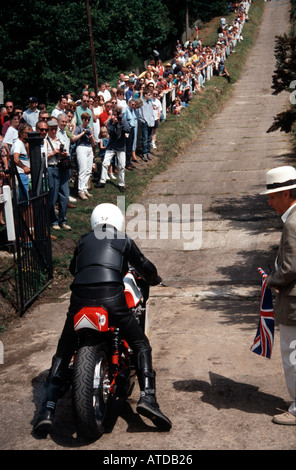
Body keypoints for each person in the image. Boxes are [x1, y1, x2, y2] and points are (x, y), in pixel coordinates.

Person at [33, 203, 172, 435]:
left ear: (93, 221)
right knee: (140, 344)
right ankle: (148, 398)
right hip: (111, 297)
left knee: (64, 350)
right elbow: (144, 265)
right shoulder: (122, 238)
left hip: (79, 298)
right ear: (118, 221)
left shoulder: (83, 240)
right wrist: (154, 277)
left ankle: (47, 409)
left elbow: (71, 268)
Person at [260, 166, 296, 425]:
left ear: (286, 194)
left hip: (294, 302)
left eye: (272, 196)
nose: (270, 202)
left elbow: (291, 267)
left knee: (292, 354)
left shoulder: (293, 223)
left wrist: (271, 280)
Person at [96, 107, 130, 192]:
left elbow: (127, 129)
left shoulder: (123, 120)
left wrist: (120, 123)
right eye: (115, 114)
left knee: (122, 165)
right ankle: (102, 181)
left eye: (118, 114)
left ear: (120, 114)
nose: (116, 116)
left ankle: (121, 183)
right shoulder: (110, 122)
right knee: (105, 163)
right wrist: (115, 124)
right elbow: (111, 132)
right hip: (111, 145)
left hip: (121, 146)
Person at [46, 120, 71, 231]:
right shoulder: (45, 141)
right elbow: (43, 158)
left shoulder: (60, 139)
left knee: (65, 195)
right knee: (53, 195)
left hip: (62, 167)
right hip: (52, 168)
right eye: (51, 129)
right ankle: (53, 220)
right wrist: (53, 153)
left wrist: (64, 153)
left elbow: (67, 152)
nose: (54, 131)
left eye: (55, 128)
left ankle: (63, 220)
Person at [73, 112, 95, 200]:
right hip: (81, 147)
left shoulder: (89, 129)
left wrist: (91, 136)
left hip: (89, 148)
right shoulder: (78, 128)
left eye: (88, 120)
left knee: (88, 170)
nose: (87, 121)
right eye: (85, 119)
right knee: (82, 169)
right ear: (82, 120)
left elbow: (93, 144)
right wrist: (83, 133)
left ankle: (85, 188)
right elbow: (74, 138)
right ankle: (80, 190)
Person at [137, 89, 154, 161]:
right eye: (149, 95)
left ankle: (148, 151)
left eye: (151, 95)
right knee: (145, 137)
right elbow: (139, 113)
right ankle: (144, 152)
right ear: (145, 95)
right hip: (145, 122)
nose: (150, 96)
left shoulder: (150, 103)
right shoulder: (141, 103)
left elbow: (151, 113)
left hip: (150, 122)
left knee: (149, 137)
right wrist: (143, 120)